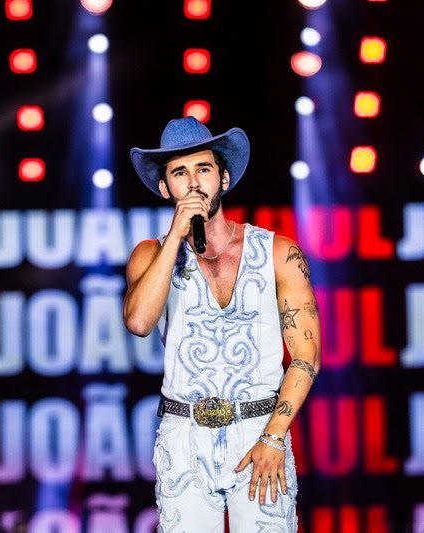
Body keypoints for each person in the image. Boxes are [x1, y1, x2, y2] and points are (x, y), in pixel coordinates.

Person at [124, 116, 321, 532]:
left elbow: (306, 355)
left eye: (204, 168)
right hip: (184, 435)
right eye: (180, 172)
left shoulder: (278, 252)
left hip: (259, 427)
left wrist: (274, 435)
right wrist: (175, 237)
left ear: (224, 178)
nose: (194, 182)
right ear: (165, 188)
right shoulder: (150, 255)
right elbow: (139, 322)